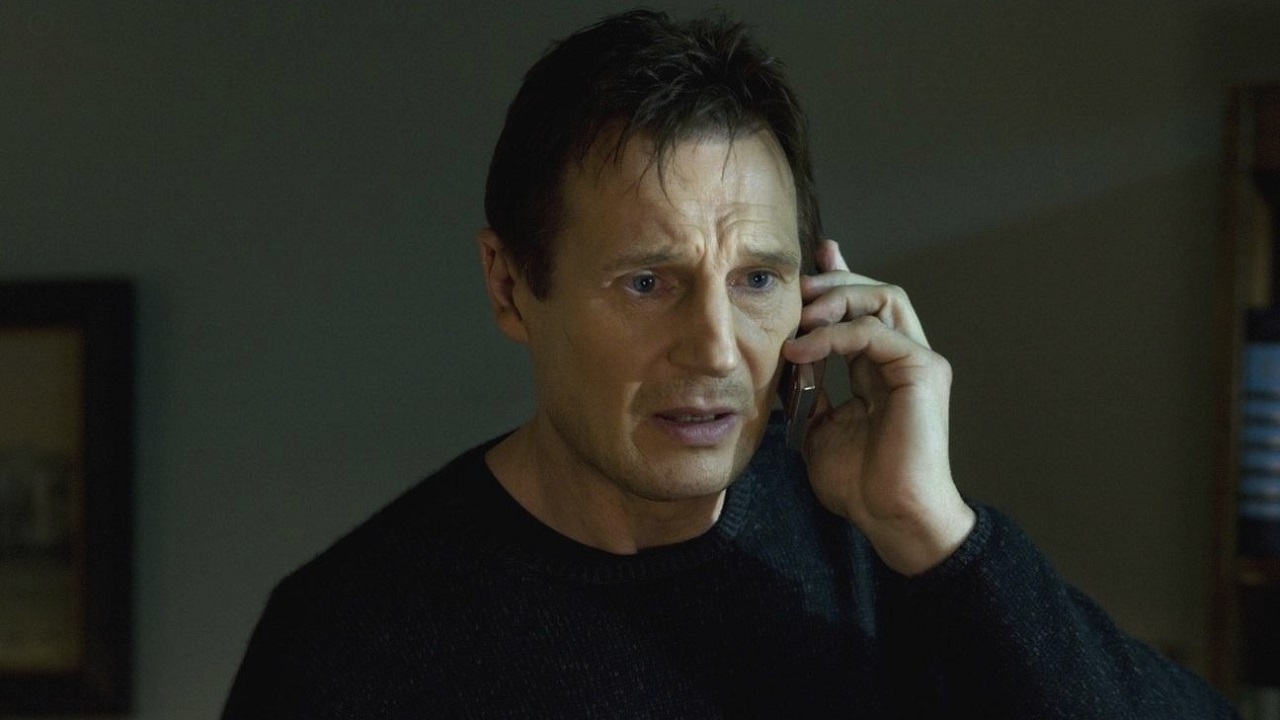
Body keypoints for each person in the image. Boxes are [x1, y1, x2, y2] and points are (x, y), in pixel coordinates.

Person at [221, 9, 1239, 718]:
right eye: (646, 282)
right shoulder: (353, 636)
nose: (714, 348)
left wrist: (936, 534)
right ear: (509, 285)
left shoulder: (895, 558)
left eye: (756, 280)